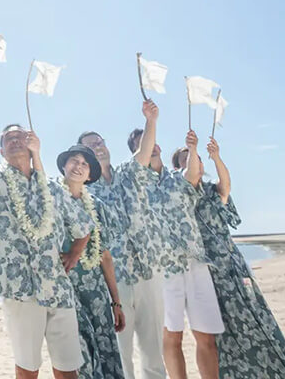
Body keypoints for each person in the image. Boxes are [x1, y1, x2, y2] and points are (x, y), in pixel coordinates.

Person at [0, 105, 91, 379]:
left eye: (21, 137)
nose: (16, 141)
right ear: (2, 151)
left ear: (32, 144)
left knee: (69, 369)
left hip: (57, 287)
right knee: (27, 368)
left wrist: (74, 254)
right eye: (9, 139)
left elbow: (83, 226)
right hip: (19, 289)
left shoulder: (53, 188)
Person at [178, 138, 285, 379]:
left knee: (255, 316)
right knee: (223, 327)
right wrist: (193, 150)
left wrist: (216, 157)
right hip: (207, 270)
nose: (194, 162)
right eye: (186, 161)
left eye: (195, 159)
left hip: (232, 262)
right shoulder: (182, 196)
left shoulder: (213, 191)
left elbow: (225, 185)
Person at [78, 101, 165, 379]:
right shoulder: (84, 193)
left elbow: (145, 150)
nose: (99, 147)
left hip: (148, 272)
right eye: (91, 146)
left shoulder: (129, 172)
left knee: (154, 353)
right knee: (122, 354)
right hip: (115, 281)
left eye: (100, 142)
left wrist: (151, 120)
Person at [151, 132, 222, 379]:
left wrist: (193, 149)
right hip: (163, 269)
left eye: (150, 142)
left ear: (157, 145)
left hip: (196, 263)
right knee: (172, 335)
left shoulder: (177, 178)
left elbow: (193, 174)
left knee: (206, 335)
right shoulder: (136, 184)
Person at [56, 144, 127, 379]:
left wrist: (116, 302)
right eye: (74, 160)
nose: (78, 166)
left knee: (106, 352)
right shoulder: (51, 199)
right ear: (64, 166)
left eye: (85, 164)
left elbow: (105, 255)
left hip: (96, 293)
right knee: (80, 354)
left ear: (89, 175)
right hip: (66, 289)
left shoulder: (98, 206)